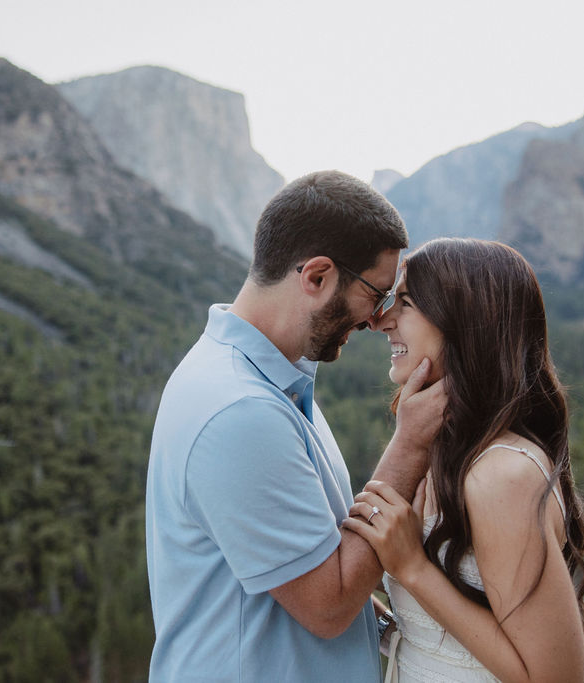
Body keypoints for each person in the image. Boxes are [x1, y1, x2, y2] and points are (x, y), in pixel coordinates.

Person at [145, 170, 448, 681]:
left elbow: (297, 566)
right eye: (376, 293)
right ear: (317, 277)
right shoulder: (239, 410)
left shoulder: (268, 380)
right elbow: (327, 605)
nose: (377, 319)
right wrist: (413, 442)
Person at [343, 238, 584, 682]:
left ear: (463, 322)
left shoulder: (502, 474)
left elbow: (556, 678)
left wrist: (413, 568)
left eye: (405, 302)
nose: (382, 321)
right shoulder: (446, 454)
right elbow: (440, 632)